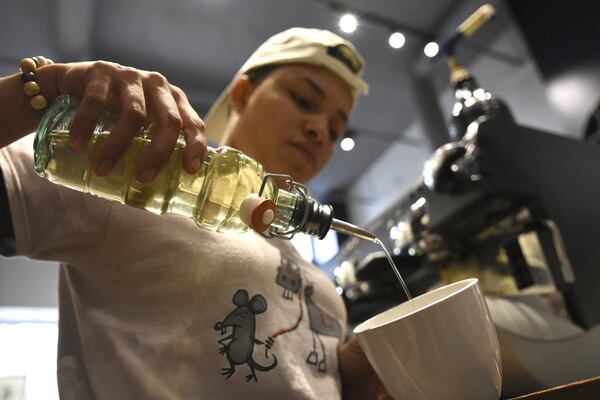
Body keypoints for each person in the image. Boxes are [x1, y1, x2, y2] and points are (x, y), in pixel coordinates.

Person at [0, 28, 391, 399]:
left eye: (336, 130)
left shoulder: (324, 291)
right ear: (241, 94)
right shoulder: (137, 175)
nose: (320, 131)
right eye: (304, 101)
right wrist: (39, 90)